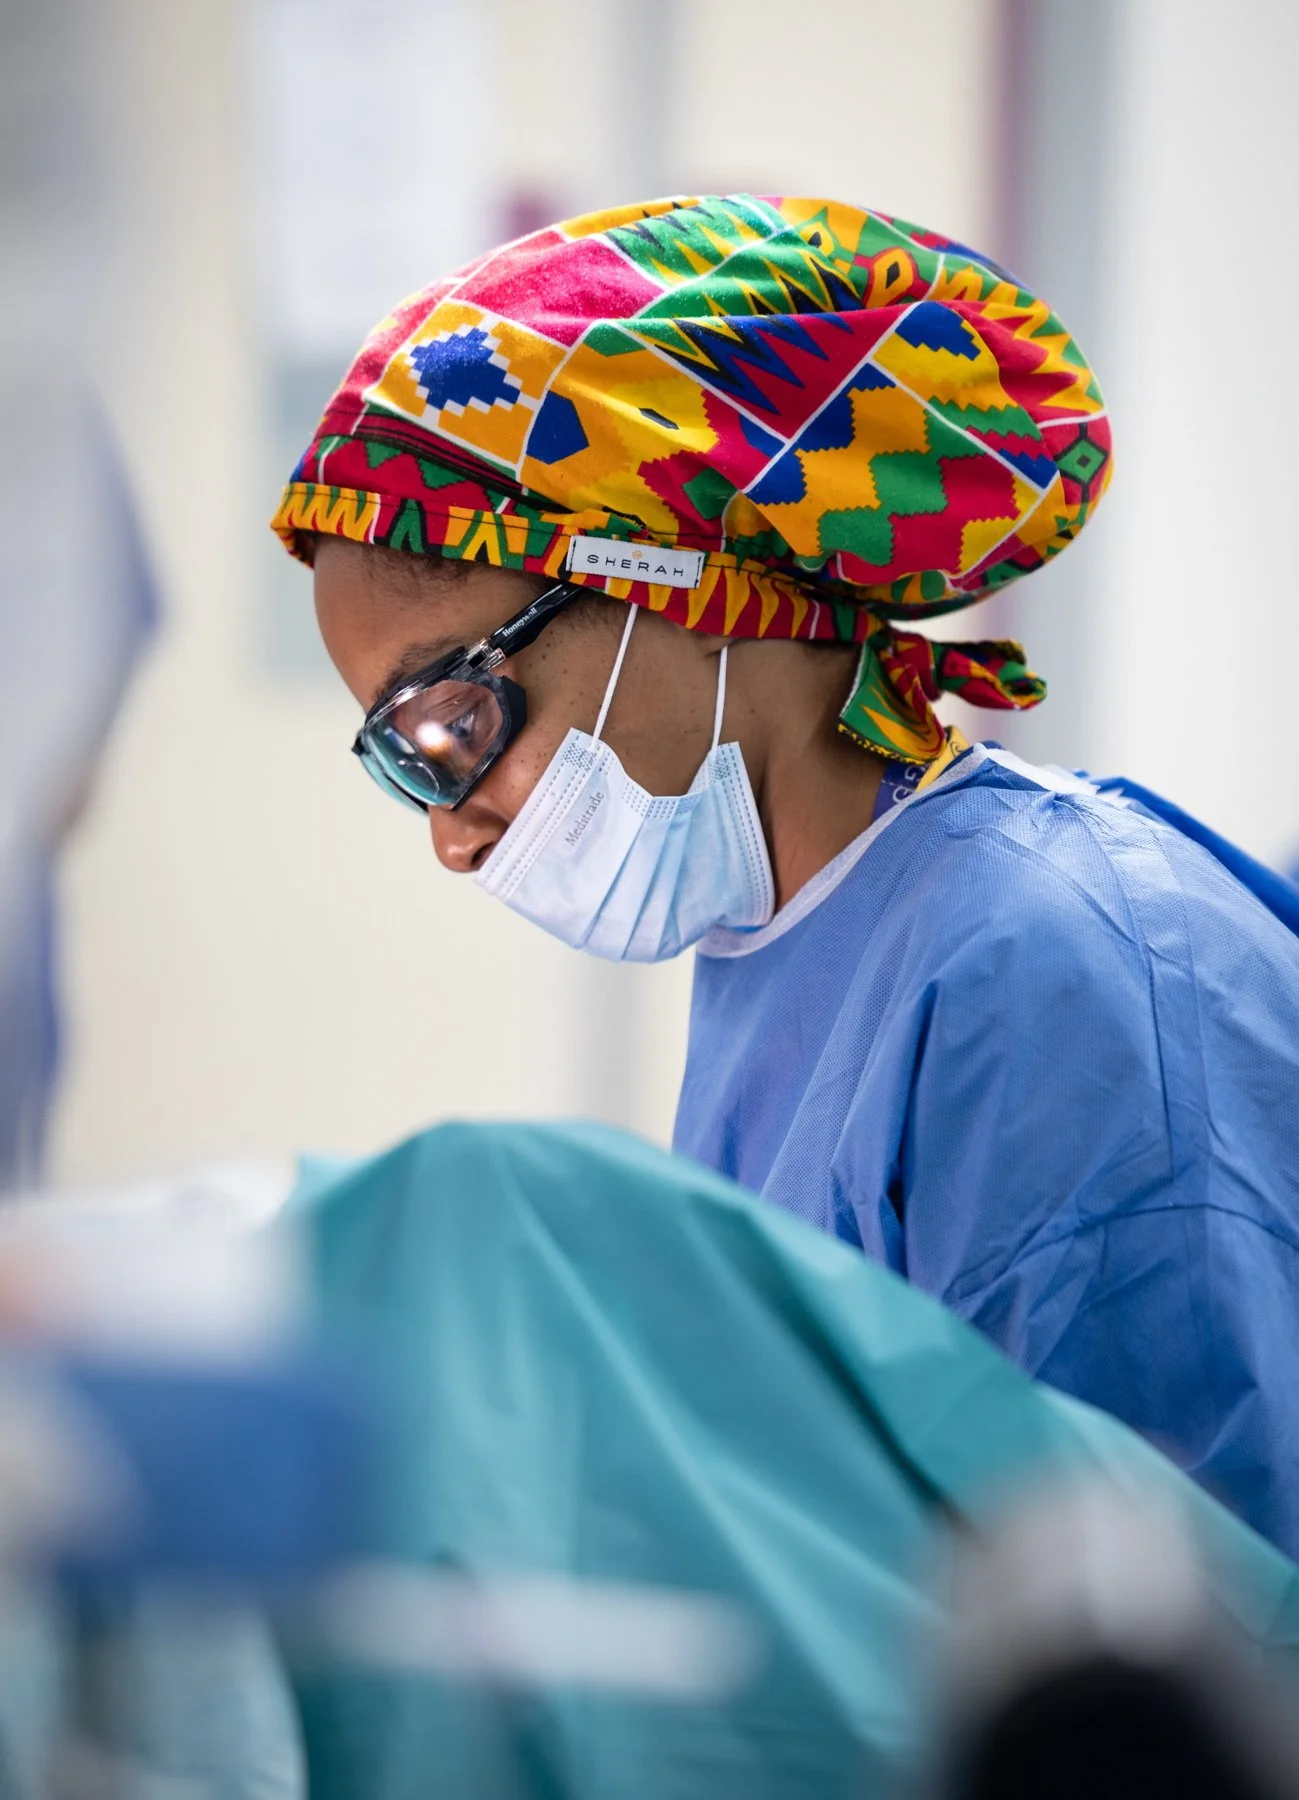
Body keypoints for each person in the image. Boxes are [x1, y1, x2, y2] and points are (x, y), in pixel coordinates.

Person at [272, 195, 1299, 1558]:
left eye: (453, 727)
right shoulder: (786, 953)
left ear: (671, 583)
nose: (451, 833)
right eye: (405, 763)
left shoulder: (1052, 967)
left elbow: (1185, 1646)